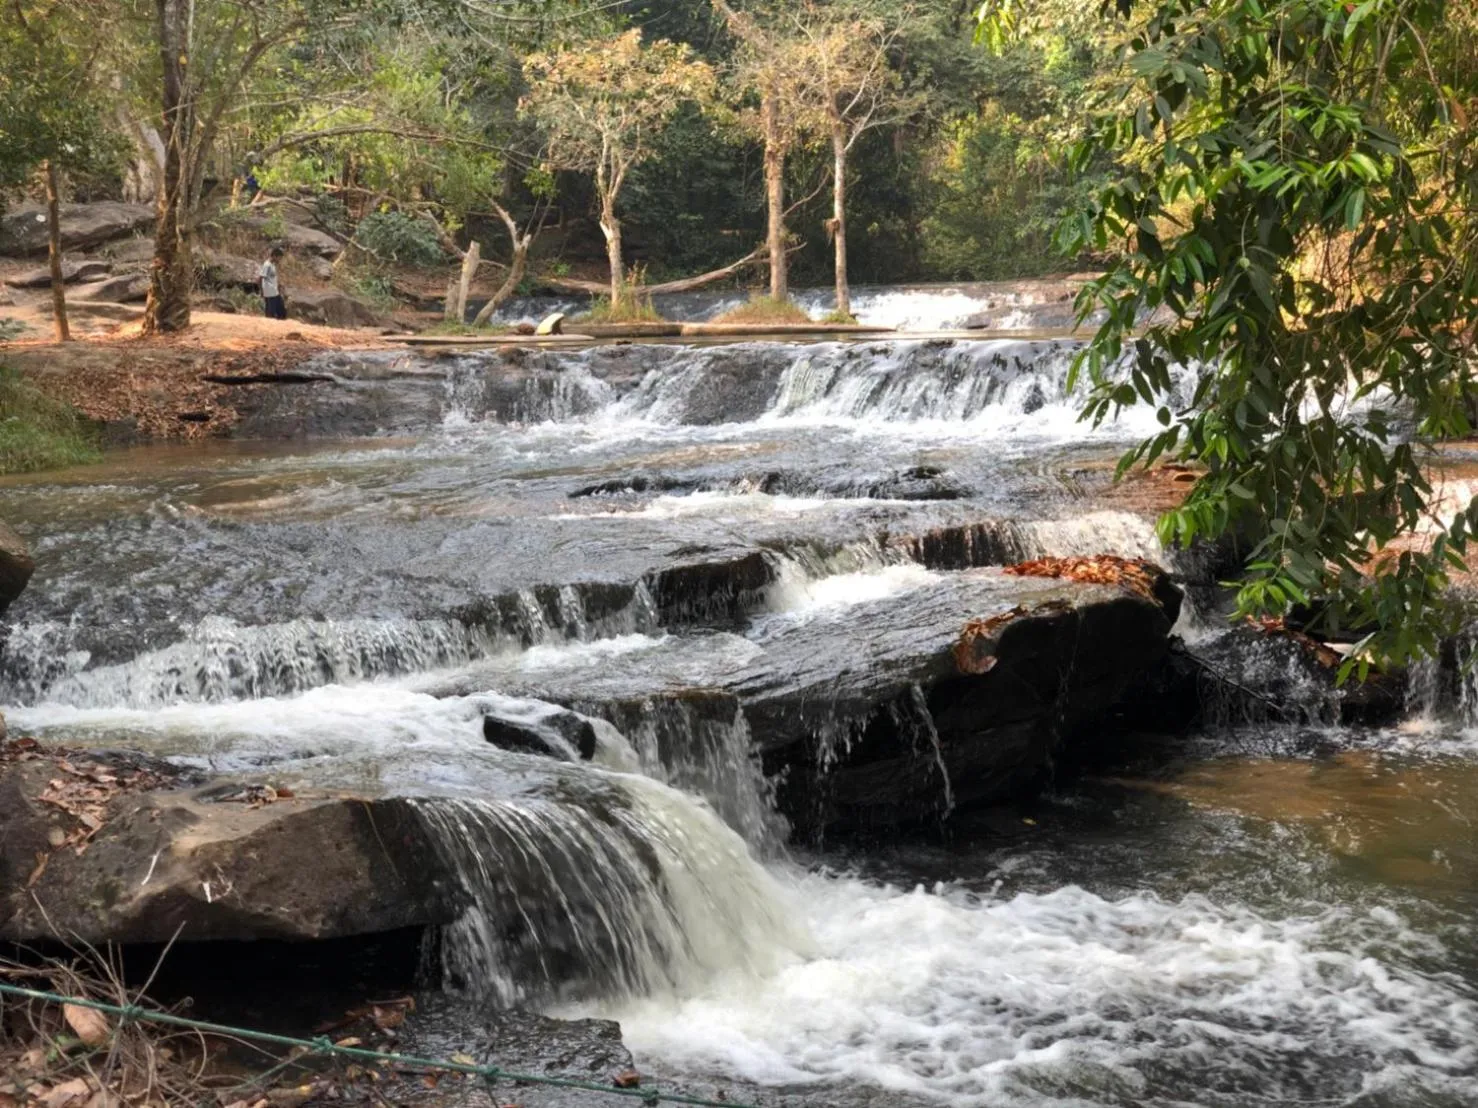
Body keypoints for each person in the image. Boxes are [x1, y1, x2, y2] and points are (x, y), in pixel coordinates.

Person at [260, 246, 287, 320]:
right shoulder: (267, 265)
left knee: (281, 310)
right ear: (274, 256)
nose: (279, 260)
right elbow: (261, 277)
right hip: (269, 293)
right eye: (279, 258)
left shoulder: (273, 265)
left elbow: (273, 278)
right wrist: (262, 291)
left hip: (274, 291)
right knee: (270, 312)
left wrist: (279, 285)